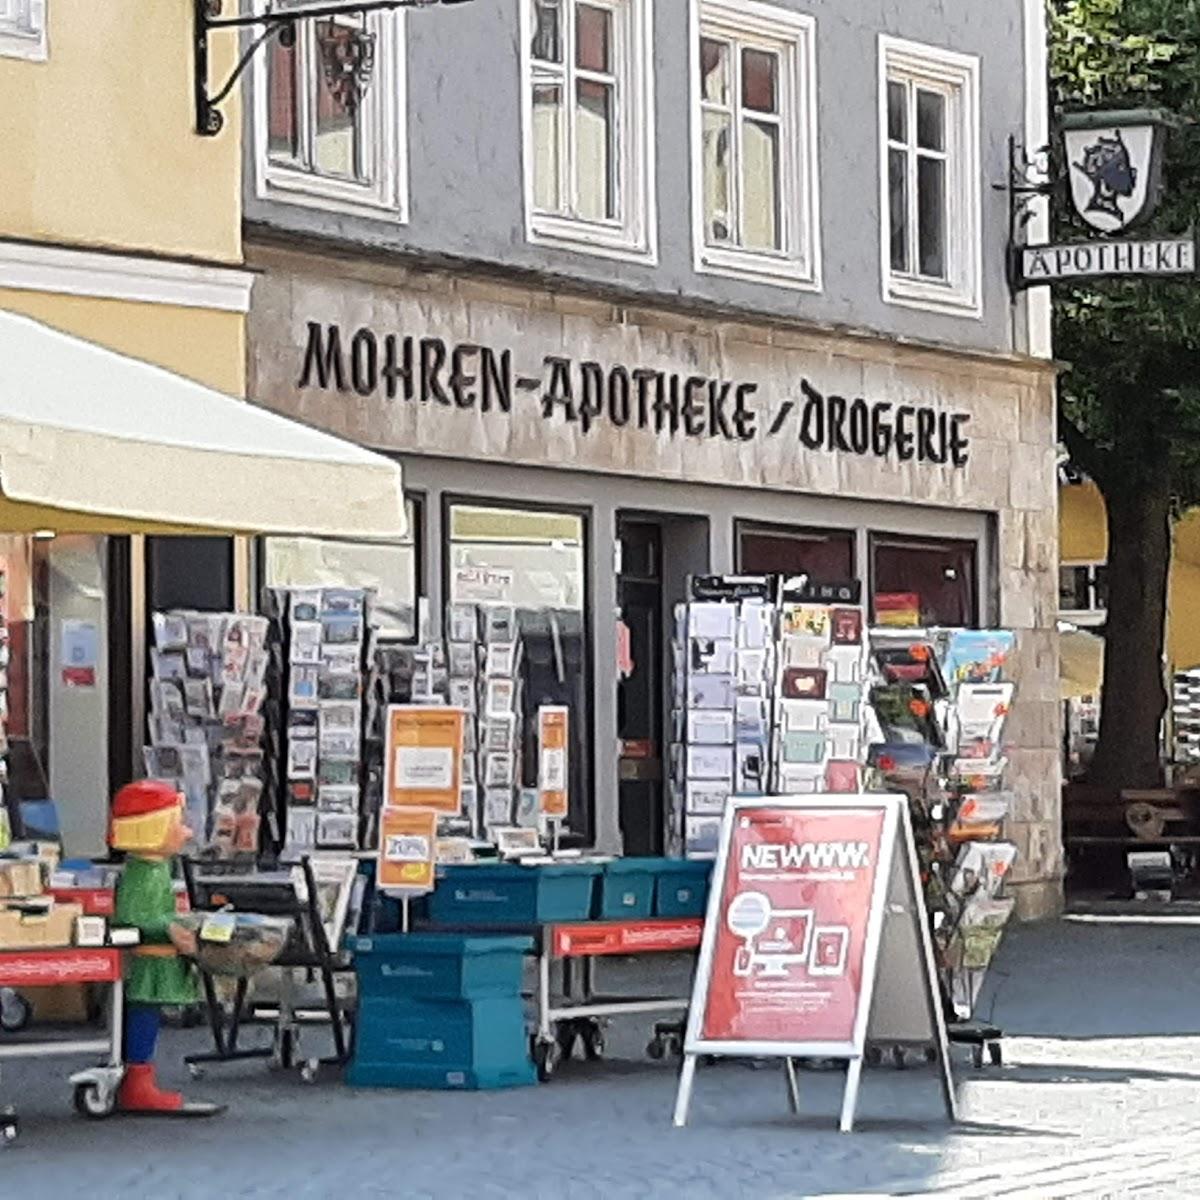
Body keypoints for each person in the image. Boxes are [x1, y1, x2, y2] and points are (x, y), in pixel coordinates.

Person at [109, 780, 222, 1117]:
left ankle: (139, 1076)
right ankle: (137, 1079)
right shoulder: (143, 874)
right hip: (148, 962)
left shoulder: (155, 869)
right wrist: (170, 926)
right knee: (143, 1014)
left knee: (147, 1015)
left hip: (157, 958)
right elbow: (133, 916)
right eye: (178, 825)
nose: (186, 833)